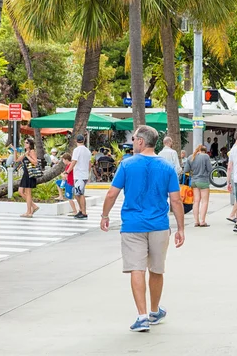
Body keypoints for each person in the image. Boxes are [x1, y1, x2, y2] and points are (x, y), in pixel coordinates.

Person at [100, 125, 185, 332]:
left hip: (132, 225)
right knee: (156, 269)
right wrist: (181, 228)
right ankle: (155, 311)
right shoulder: (167, 167)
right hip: (159, 225)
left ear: (140, 141)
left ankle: (142, 316)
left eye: (134, 138)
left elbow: (112, 194)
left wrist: (104, 215)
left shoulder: (127, 165)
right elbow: (176, 200)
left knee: (136, 269)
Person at [184, 145, 212, 227]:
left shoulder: (190, 157)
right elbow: (210, 169)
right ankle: (202, 221)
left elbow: (186, 170)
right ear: (204, 151)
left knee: (196, 201)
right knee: (204, 201)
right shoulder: (206, 156)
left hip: (194, 181)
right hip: (203, 181)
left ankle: (196, 221)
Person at [67, 134, 91, 220]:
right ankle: (81, 210)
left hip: (79, 175)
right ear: (84, 140)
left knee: (79, 194)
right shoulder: (87, 151)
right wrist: (88, 173)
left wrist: (67, 171)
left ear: (76, 141)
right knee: (78, 193)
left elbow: (74, 161)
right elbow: (89, 164)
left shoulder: (77, 150)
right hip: (84, 174)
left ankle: (83, 212)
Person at [12, 138, 39, 218]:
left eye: (27, 142)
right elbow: (16, 160)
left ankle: (29, 212)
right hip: (26, 174)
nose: (25, 144)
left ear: (30, 144)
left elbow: (35, 162)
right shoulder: (26, 152)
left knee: (28, 193)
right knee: (20, 191)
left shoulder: (32, 151)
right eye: (25, 142)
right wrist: (15, 150)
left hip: (30, 174)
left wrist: (28, 156)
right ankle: (33, 206)